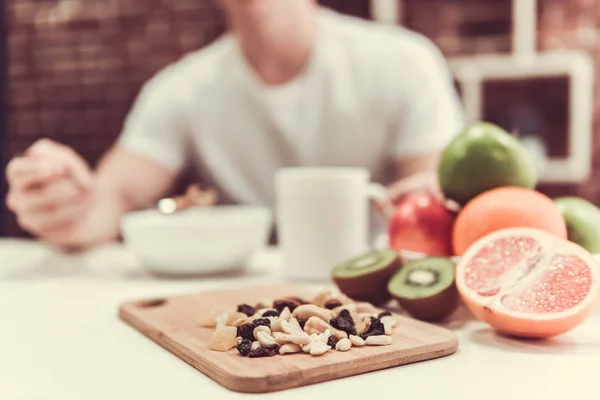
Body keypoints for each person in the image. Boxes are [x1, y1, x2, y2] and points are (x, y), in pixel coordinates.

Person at [5, 0, 464, 250]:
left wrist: (439, 200)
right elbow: (114, 197)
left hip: (376, 298)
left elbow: (434, 192)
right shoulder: (180, 88)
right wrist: (67, 204)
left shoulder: (404, 62)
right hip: (245, 307)